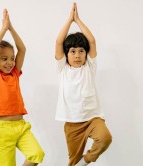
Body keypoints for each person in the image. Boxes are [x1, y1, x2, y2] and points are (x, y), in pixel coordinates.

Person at [54, 3, 112, 166]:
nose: (77, 55)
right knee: (73, 162)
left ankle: (86, 160)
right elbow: (59, 42)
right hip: (72, 123)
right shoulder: (62, 69)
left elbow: (92, 41)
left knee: (105, 138)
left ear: (86, 54)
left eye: (81, 51)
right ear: (67, 54)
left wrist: (78, 20)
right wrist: (69, 20)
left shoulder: (89, 67)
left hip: (93, 118)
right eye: (72, 51)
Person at [0, 9, 44, 166]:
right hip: (2, 129)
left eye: (12, 58)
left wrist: (11, 28)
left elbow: (22, 49)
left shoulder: (15, 74)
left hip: (21, 126)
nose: (10, 62)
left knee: (36, 154)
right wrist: (3, 29)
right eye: (4, 59)